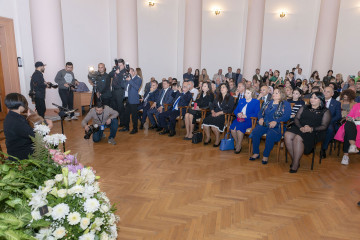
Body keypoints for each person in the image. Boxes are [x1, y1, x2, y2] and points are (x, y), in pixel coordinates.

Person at [285, 92, 331, 173]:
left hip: (315, 131)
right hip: (300, 127)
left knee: (298, 138)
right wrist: (301, 127)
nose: (312, 99)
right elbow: (296, 118)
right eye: (311, 97)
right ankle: (295, 160)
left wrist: (311, 129)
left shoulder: (325, 111)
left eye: (315, 98)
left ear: (320, 100)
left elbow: (324, 126)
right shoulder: (305, 107)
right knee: (287, 135)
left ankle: (295, 164)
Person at [3, 93, 53, 160]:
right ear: (21, 105)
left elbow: (24, 130)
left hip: (14, 149)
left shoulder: (11, 116)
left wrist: (30, 116)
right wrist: (49, 126)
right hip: (21, 152)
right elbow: (36, 136)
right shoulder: (17, 121)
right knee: (51, 147)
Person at [249, 88, 291, 164]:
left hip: (277, 126)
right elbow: (260, 112)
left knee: (270, 135)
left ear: (282, 94)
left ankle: (265, 155)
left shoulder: (285, 104)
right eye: (273, 93)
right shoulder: (268, 102)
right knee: (255, 132)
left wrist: (276, 121)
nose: (274, 94)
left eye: (276, 93)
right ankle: (256, 153)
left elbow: (287, 116)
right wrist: (261, 118)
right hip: (265, 124)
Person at [230, 87, 260, 154]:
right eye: (245, 92)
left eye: (248, 93)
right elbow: (235, 111)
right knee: (232, 128)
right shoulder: (241, 100)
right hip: (239, 119)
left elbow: (256, 114)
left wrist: (246, 116)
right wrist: (238, 114)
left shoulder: (256, 102)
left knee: (239, 129)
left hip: (249, 120)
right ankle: (238, 142)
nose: (246, 94)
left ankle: (239, 145)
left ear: (252, 94)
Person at [119, 68, 142, 134]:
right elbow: (122, 86)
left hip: (134, 99)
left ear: (134, 72)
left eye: (130, 72)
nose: (128, 73)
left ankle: (135, 129)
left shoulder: (138, 79)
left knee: (134, 115)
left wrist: (130, 80)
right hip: (127, 99)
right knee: (126, 114)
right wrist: (123, 79)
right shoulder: (127, 78)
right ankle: (126, 127)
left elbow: (137, 87)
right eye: (128, 72)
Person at [321, 87, 341, 158]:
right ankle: (310, 146)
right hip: (318, 121)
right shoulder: (319, 100)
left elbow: (338, 116)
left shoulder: (336, 103)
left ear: (332, 94)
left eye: (328, 92)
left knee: (330, 130)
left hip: (330, 122)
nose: (325, 93)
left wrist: (328, 121)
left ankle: (323, 148)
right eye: (324, 91)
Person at [109, 59, 126, 127]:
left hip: (120, 90)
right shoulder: (116, 69)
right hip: (114, 90)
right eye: (118, 65)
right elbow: (110, 75)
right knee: (114, 106)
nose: (119, 67)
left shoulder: (125, 71)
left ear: (123, 65)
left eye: (120, 65)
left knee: (120, 107)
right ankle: (115, 121)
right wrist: (114, 71)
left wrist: (118, 74)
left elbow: (122, 81)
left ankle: (122, 122)